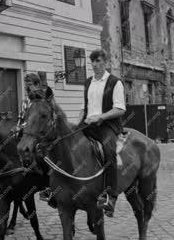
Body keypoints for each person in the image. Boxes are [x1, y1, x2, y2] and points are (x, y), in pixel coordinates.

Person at [45, 49, 125, 217]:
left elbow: (119, 109)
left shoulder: (115, 82)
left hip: (107, 125)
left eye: (98, 62)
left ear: (106, 63)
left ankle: (110, 196)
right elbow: (84, 107)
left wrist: (100, 117)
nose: (95, 65)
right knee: (61, 144)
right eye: (93, 62)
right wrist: (77, 123)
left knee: (109, 151)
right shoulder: (88, 82)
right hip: (87, 124)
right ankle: (55, 189)